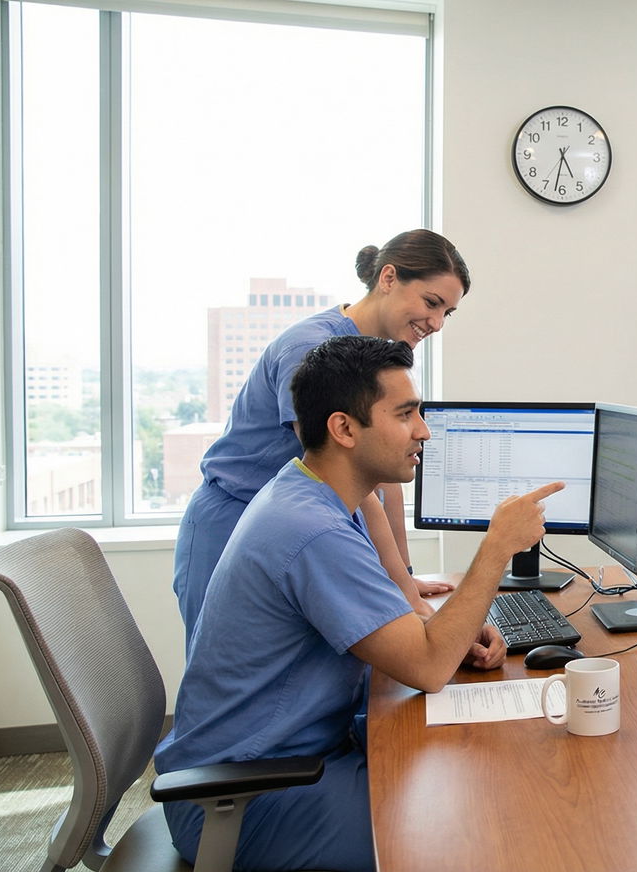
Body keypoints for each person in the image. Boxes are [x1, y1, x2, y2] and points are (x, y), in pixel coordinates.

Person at [155, 336, 561, 871]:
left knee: (473, 782)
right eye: (406, 414)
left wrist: (453, 632)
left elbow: (405, 630)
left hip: (292, 761)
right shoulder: (311, 530)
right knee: (480, 829)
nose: (424, 431)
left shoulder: (309, 493)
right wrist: (496, 548)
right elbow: (427, 667)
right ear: (344, 428)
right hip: (244, 800)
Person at [173, 229, 469, 637]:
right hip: (233, 518)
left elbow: (384, 477)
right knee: (233, 669)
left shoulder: (373, 357)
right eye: (431, 303)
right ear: (388, 279)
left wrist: (404, 576)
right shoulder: (311, 349)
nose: (436, 323)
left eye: (446, 313)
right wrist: (407, 597)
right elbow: (349, 475)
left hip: (293, 527)